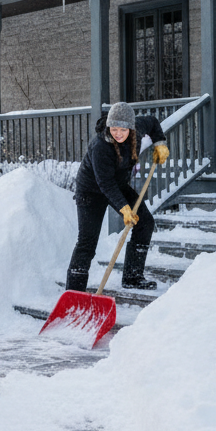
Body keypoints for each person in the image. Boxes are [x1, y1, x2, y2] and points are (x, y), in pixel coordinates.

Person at [66, 101, 171, 293]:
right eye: (114, 129)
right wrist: (124, 208)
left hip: (119, 185)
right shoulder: (101, 146)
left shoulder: (138, 129)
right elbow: (105, 183)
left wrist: (160, 142)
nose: (118, 134)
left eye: (123, 129)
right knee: (87, 242)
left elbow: (154, 123)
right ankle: (74, 292)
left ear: (131, 127)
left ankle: (132, 276)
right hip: (91, 191)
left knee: (145, 222)